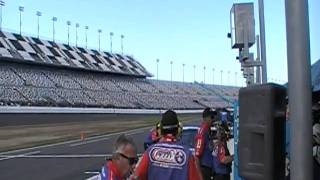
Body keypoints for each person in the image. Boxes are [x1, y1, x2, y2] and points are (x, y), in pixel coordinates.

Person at [133, 110, 202, 180]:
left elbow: (137, 176)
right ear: (178, 130)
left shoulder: (150, 151)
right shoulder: (187, 154)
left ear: (161, 130)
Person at [194, 108, 216, 180]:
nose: (214, 119)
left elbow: (209, 148)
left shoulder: (207, 130)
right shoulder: (202, 132)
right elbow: (197, 156)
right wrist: (200, 176)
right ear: (206, 118)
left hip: (208, 168)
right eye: (212, 117)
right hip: (203, 169)